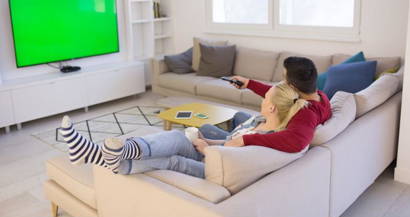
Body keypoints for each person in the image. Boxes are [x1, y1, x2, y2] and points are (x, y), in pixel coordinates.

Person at [58, 82, 309, 179]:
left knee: (173, 159)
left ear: (273, 108)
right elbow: (231, 142)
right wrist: (205, 142)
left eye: (265, 97)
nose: (262, 99)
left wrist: (206, 148)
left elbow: (236, 160)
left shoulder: (269, 138)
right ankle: (113, 153)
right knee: (177, 135)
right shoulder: (256, 122)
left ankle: (99, 156)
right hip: (213, 152)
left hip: (217, 165)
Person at [199, 56, 332, 153]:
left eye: (284, 77)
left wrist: (246, 139)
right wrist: (248, 83)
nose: (282, 80)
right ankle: (230, 135)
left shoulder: (307, 114)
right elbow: (278, 96)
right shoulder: (320, 96)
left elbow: (297, 141)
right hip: (276, 123)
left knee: (205, 128)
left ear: (292, 86)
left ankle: (225, 140)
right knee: (240, 115)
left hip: (271, 131)